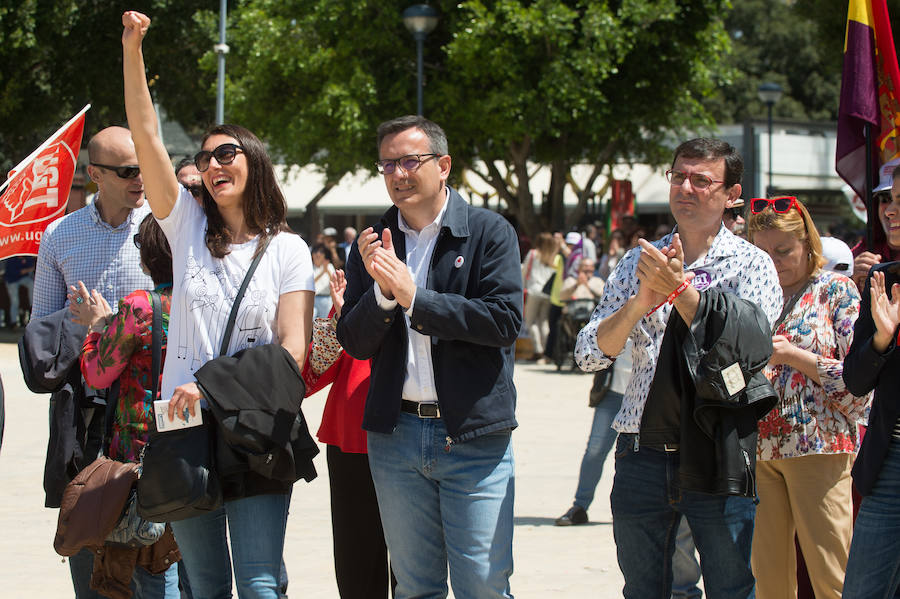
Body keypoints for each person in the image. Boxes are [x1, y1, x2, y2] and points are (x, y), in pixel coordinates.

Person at [122, 11, 315, 598]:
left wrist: (207, 387)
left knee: (258, 583)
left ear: (254, 159)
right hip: (181, 426)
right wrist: (132, 51)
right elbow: (147, 136)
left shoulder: (288, 249)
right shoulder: (184, 228)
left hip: (257, 424)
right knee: (203, 585)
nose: (213, 164)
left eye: (226, 151)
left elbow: (293, 353)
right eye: (204, 159)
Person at [575, 138, 782, 598]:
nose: (685, 187)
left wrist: (681, 293)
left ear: (732, 195)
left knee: (730, 588)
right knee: (645, 589)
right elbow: (589, 354)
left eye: (701, 180)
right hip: (641, 451)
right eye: (678, 176)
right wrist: (639, 303)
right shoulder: (637, 261)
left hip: (718, 448)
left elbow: (752, 351)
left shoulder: (752, 264)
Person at [336, 115, 522, 598]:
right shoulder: (374, 241)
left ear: (443, 166)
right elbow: (354, 341)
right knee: (416, 587)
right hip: (396, 439)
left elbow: (503, 321)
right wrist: (380, 297)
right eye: (388, 164)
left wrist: (414, 296)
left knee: (482, 584)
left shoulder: (488, 232)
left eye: (410, 161)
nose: (398, 173)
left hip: (472, 437)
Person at [31, 124, 154, 598]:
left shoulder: (162, 226)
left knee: (154, 547)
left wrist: (113, 326)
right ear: (94, 175)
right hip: (85, 409)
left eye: (142, 165)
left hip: (148, 407)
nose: (139, 178)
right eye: (127, 170)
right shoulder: (60, 235)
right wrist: (88, 326)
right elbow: (41, 328)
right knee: (87, 528)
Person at [747, 195, 869, 598]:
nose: (773, 260)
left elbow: (860, 381)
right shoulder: (753, 295)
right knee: (768, 579)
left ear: (808, 244)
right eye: (762, 251)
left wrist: (794, 356)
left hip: (819, 446)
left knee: (833, 573)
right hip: (759, 447)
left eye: (783, 251)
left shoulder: (837, 290)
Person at [68, 214, 180, 598]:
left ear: (147, 259)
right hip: (196, 447)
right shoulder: (205, 300)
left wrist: (97, 328)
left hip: (140, 452)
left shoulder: (140, 307)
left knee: (149, 561)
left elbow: (99, 373)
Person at [301, 270, 392, 599]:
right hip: (352, 441)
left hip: (410, 435)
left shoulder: (421, 297)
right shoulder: (353, 302)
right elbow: (310, 376)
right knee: (357, 557)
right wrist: (341, 322)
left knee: (414, 562)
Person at [841, 167, 900, 597]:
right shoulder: (885, 280)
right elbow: (856, 380)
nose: (891, 211)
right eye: (888, 200)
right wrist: (881, 339)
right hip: (891, 459)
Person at [851, 158, 900, 290]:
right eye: (885, 199)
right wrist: (850, 282)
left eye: (899, 199)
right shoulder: (861, 253)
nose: (889, 210)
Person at [522, 232, 561, 362]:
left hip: (534, 291)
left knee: (531, 321)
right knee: (544, 321)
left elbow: (525, 271)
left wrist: (522, 286)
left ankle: (538, 350)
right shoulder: (553, 256)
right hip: (548, 293)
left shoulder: (533, 254)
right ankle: (547, 351)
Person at [3, 256, 36, 327]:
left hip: (22, 278)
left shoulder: (27, 257)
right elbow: (18, 272)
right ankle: (13, 322)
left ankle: (31, 305)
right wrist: (28, 269)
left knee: (31, 283)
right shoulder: (12, 258)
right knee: (15, 301)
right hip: (11, 280)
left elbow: (31, 267)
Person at [311, 243, 336, 319]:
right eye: (315, 252)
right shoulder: (310, 267)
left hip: (326, 298)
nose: (318, 254)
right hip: (313, 299)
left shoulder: (329, 266)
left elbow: (334, 282)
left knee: (325, 323)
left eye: (321, 252)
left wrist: (327, 271)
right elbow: (310, 283)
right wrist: (322, 272)